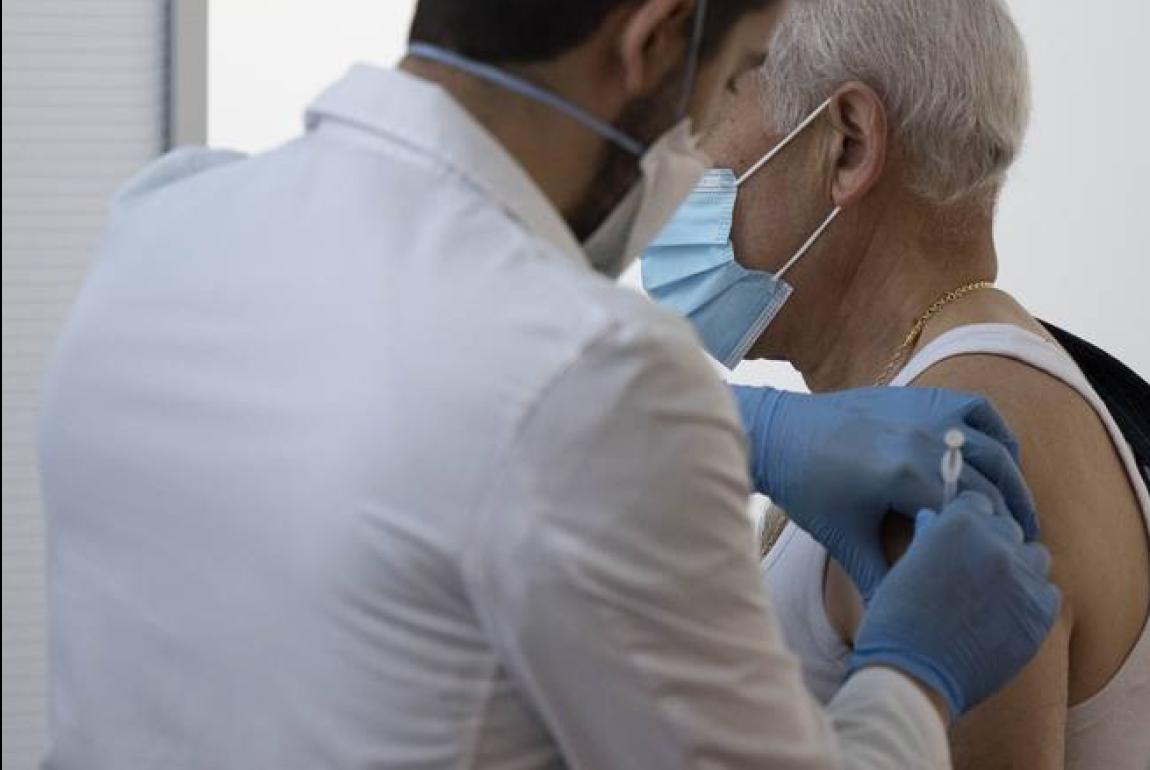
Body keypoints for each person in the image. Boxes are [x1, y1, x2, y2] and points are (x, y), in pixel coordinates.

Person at [38, 1, 1059, 768]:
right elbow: (523, 402)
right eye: (741, 69)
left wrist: (730, 425)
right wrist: (915, 667)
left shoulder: (164, 218)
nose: (706, 142)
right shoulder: (592, 377)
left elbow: (401, 405)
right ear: (656, 38)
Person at [641, 0, 1150, 768]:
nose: (663, 162)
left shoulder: (967, 443)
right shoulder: (911, 405)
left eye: (705, 110)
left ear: (849, 145)